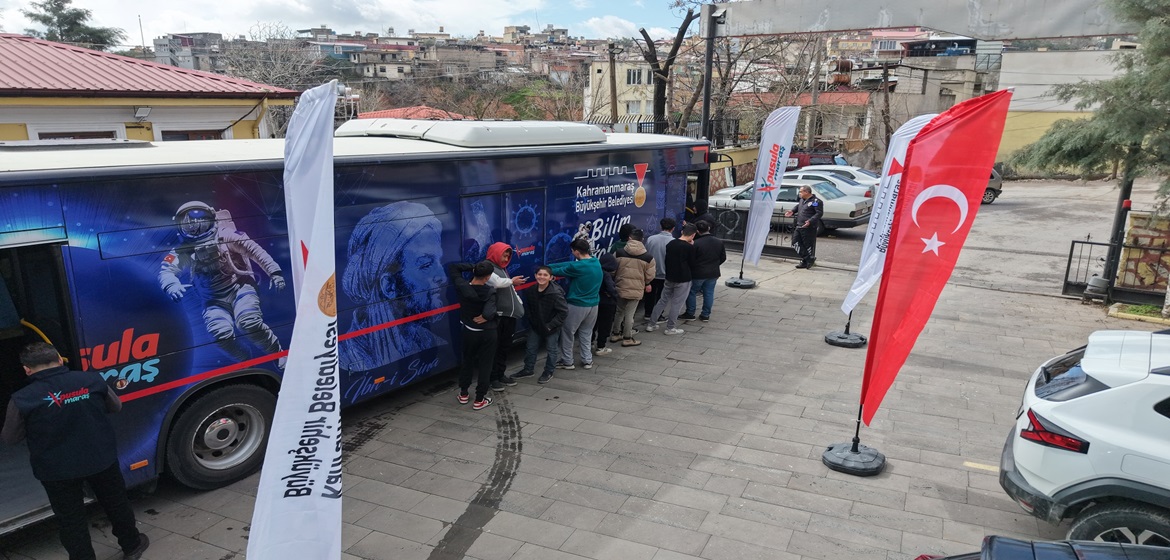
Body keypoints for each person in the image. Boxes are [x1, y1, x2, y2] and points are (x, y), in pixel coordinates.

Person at [1, 342, 150, 560]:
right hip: (101, 458)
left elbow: (10, 438)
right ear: (60, 360)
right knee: (116, 503)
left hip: (57, 470)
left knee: (70, 520)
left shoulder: (22, 399)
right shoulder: (90, 380)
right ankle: (132, 546)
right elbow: (115, 406)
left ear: (27, 369)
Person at [158, 201, 285, 365]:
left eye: (200, 222)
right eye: (188, 223)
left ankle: (276, 352)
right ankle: (244, 358)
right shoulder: (183, 250)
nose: (195, 227)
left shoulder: (227, 235)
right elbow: (167, 270)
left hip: (239, 287)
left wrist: (274, 272)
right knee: (219, 335)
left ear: (211, 219)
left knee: (248, 322)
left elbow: (254, 250)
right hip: (213, 300)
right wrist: (171, 285)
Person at [341, 201, 448, 372]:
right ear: (389, 286)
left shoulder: (429, 340)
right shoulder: (348, 357)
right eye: (426, 264)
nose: (442, 277)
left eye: (438, 261)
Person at [447, 261, 498, 410]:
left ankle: (463, 394)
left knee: (467, 361)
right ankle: (479, 399)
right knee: (485, 365)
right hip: (488, 333)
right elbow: (489, 313)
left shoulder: (462, 286)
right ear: (487, 277)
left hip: (470, 331)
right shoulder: (490, 291)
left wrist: (473, 266)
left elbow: (453, 267)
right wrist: (486, 317)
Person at [548, 238, 602, 370]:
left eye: (572, 251)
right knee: (586, 332)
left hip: (577, 305)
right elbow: (569, 264)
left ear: (576, 252)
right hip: (594, 305)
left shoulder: (577, 267)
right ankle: (587, 360)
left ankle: (567, 361)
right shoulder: (595, 262)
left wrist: (545, 268)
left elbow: (559, 270)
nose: (572, 253)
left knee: (567, 332)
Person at [513, 265, 568, 384]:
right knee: (530, 348)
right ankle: (528, 370)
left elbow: (563, 312)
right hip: (536, 325)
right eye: (539, 274)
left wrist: (550, 325)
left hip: (551, 327)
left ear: (551, 277)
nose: (541, 277)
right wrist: (531, 320)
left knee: (551, 349)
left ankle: (548, 371)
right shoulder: (531, 290)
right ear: (535, 276)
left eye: (545, 275)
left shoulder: (555, 293)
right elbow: (529, 307)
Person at [484, 242, 526, 392]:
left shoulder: (502, 269)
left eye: (508, 255)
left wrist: (519, 304)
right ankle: (493, 378)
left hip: (509, 317)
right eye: (504, 254)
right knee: (495, 349)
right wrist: (511, 281)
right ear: (495, 253)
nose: (506, 257)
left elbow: (511, 291)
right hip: (498, 317)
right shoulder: (486, 267)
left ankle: (500, 374)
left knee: (504, 347)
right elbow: (496, 283)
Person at [646, 224, 697, 335]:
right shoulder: (689, 247)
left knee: (662, 300)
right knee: (677, 303)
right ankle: (670, 327)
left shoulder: (671, 243)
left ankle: (651, 324)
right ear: (693, 235)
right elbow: (693, 264)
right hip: (683, 278)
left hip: (669, 276)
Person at [612, 228, 654, 346]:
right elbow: (650, 275)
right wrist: (646, 283)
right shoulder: (648, 257)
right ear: (642, 240)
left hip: (620, 286)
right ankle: (627, 338)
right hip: (636, 288)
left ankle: (616, 334)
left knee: (619, 311)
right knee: (630, 313)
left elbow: (612, 270)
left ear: (630, 238)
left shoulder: (619, 253)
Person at [681, 220, 727, 322]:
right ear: (709, 228)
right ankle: (705, 314)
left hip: (698, 273)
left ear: (697, 231)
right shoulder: (719, 242)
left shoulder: (696, 244)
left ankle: (690, 313)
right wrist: (715, 264)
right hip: (713, 272)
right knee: (709, 293)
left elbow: (691, 259)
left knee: (691, 292)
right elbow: (723, 257)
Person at [642, 217, 675, 325]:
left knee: (649, 294)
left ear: (661, 226)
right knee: (662, 296)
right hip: (665, 273)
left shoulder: (651, 239)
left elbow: (646, 254)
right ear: (673, 229)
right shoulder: (673, 242)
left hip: (651, 272)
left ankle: (647, 313)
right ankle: (658, 315)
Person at [785, 185, 823, 269]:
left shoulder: (816, 201)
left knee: (807, 245)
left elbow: (819, 213)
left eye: (801, 191)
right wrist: (792, 211)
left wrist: (810, 221)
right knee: (795, 242)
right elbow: (798, 206)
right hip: (799, 225)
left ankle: (805, 262)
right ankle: (809, 259)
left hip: (809, 227)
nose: (799, 193)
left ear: (806, 192)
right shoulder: (802, 200)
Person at [592, 252, 620, 356]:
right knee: (604, 326)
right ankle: (601, 347)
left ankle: (590, 342)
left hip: (596, 301)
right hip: (607, 304)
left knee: (593, 324)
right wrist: (615, 296)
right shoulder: (607, 275)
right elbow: (611, 289)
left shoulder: (596, 271)